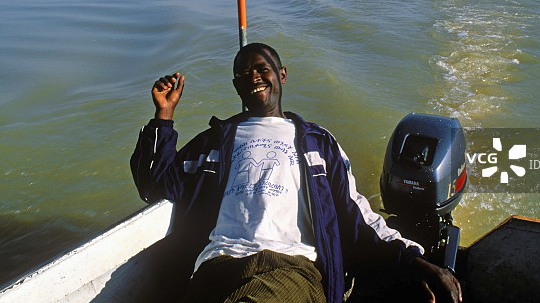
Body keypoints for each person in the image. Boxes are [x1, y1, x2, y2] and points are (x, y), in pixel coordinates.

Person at [131, 43, 462, 303]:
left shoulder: (317, 143)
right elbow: (154, 185)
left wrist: (415, 261)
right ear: (236, 86)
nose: (254, 77)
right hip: (215, 266)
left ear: (282, 75)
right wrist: (164, 115)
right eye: (243, 74)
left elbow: (356, 214)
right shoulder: (213, 143)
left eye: (262, 69)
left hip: (289, 267)